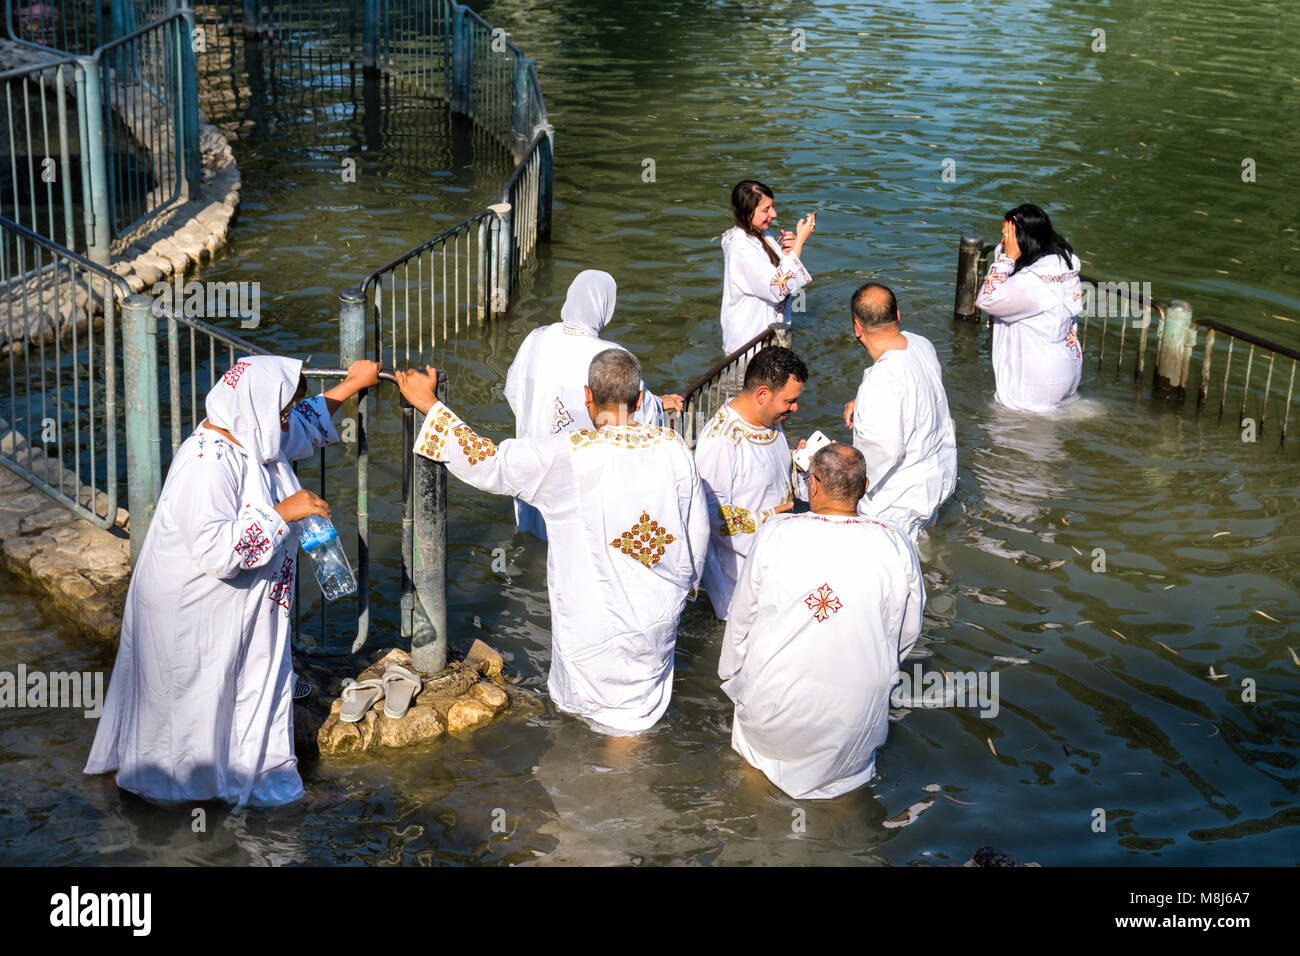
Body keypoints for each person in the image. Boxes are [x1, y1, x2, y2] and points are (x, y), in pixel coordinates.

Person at [85, 355, 381, 807]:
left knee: (245, 685)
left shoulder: (246, 431)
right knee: (197, 698)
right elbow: (217, 551)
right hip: (196, 609)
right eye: (279, 412)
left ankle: (261, 786)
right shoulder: (206, 464)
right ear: (258, 410)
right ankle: (182, 796)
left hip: (236, 607)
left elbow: (293, 426)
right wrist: (285, 510)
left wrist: (350, 386)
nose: (284, 422)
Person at [395, 349, 708, 735]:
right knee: (632, 719)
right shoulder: (674, 448)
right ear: (641, 400)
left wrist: (430, 405)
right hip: (655, 614)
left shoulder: (571, 454)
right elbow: (697, 530)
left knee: (597, 724)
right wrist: (685, 590)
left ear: (588, 398)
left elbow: (491, 462)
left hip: (594, 622)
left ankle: (606, 785)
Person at [718, 442, 924, 800]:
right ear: (865, 486)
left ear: (812, 484)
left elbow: (741, 618)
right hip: (853, 719)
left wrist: (732, 677)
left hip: (774, 709)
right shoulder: (895, 542)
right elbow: (907, 632)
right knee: (844, 791)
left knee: (755, 765)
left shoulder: (777, 531)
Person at [504, 269, 682, 540]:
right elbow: (634, 417)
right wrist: (658, 404)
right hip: (577, 479)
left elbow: (513, 392)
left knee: (531, 540)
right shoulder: (611, 356)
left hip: (530, 465)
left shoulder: (536, 338)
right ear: (606, 308)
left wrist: (540, 420)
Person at [694, 346, 807, 620]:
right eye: (789, 401)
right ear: (762, 394)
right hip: (741, 577)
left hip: (778, 558)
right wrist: (768, 519)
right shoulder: (722, 441)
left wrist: (801, 466)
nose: (795, 408)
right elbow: (711, 516)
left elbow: (774, 479)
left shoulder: (769, 419)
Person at [843, 283, 957, 540]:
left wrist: (843, 483)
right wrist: (863, 402)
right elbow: (919, 395)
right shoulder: (921, 343)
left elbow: (884, 452)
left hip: (899, 501)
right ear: (897, 315)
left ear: (857, 328)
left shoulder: (881, 380)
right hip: (938, 476)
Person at [975, 202, 1084, 412]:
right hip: (1067, 365)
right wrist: (1009, 248)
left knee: (1011, 437)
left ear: (1022, 240)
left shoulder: (1031, 282)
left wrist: (1007, 258)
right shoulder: (1063, 263)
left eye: (1006, 237)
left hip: (1036, 379)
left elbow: (987, 299)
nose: (1002, 242)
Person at [719, 179, 814, 355]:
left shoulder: (762, 234)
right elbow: (777, 287)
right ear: (747, 212)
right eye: (766, 209)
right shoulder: (740, 247)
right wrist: (800, 241)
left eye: (772, 207)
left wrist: (788, 252)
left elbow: (773, 272)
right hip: (748, 346)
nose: (774, 214)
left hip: (767, 339)